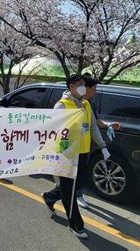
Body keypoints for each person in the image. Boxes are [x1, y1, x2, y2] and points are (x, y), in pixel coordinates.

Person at [41, 74, 110, 239]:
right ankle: (75, 224)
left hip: (83, 152)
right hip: (67, 155)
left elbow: (92, 126)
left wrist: (103, 146)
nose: (83, 87)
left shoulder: (86, 104)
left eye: (84, 84)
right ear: (71, 86)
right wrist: (63, 152)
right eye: (79, 84)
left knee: (76, 185)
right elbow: (55, 131)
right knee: (70, 191)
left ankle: (49, 197)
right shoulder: (62, 106)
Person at [74, 76, 121, 209]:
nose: (96, 91)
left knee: (80, 171)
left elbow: (94, 123)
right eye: (94, 88)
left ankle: (76, 194)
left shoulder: (90, 104)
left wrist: (109, 125)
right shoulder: (70, 102)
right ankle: (63, 193)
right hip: (71, 145)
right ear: (86, 88)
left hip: (85, 144)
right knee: (70, 173)